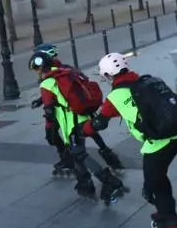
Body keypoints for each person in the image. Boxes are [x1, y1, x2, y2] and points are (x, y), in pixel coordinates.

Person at [87, 54, 177, 228]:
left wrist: (85, 129)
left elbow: (99, 123)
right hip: (173, 138)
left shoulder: (116, 96)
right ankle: (165, 214)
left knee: (156, 186)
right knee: (158, 181)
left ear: (109, 75)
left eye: (105, 76)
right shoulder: (142, 81)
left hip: (157, 145)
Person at [30, 47, 127, 204]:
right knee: (77, 153)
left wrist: (50, 130)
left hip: (72, 125)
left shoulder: (47, 83)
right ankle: (85, 183)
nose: (36, 72)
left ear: (40, 67)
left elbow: (49, 111)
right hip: (85, 116)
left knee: (79, 154)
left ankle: (108, 180)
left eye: (35, 69)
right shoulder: (65, 72)